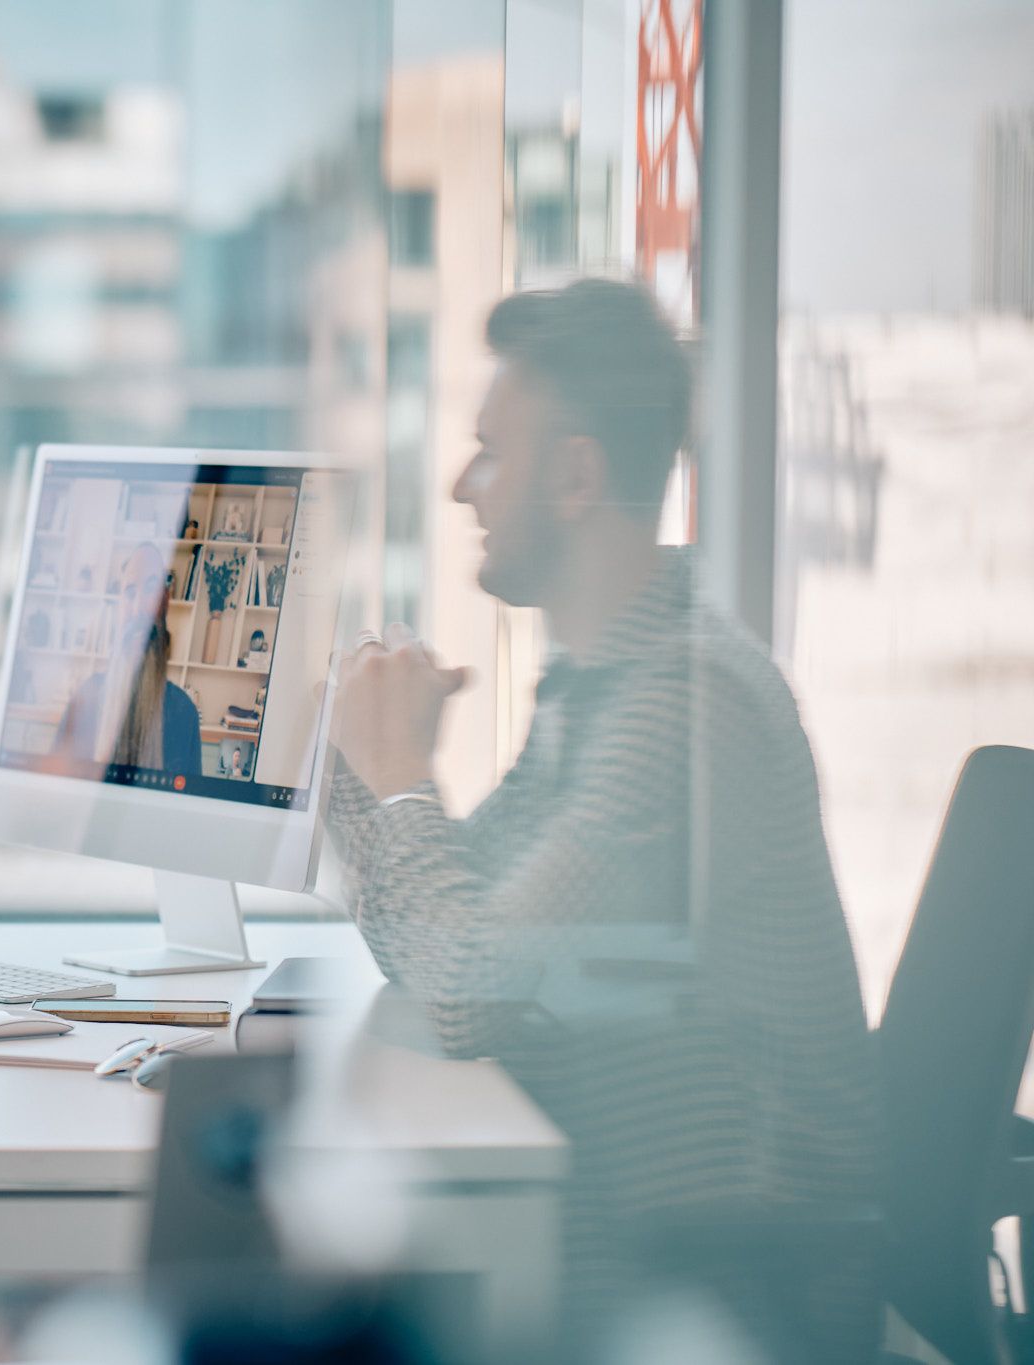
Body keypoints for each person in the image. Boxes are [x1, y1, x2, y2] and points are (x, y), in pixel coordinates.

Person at [325, 279, 878, 1357]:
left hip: (708, 1295)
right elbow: (437, 950)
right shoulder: (601, 687)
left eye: (490, 451)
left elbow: (467, 993)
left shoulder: (682, 709)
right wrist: (356, 772)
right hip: (614, 1235)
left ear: (574, 474)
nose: (460, 486)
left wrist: (395, 774)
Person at [53, 543, 202, 776]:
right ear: (119, 606)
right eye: (130, 593)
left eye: (151, 591)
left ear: (165, 603)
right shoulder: (85, 701)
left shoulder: (185, 714)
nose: (138, 608)